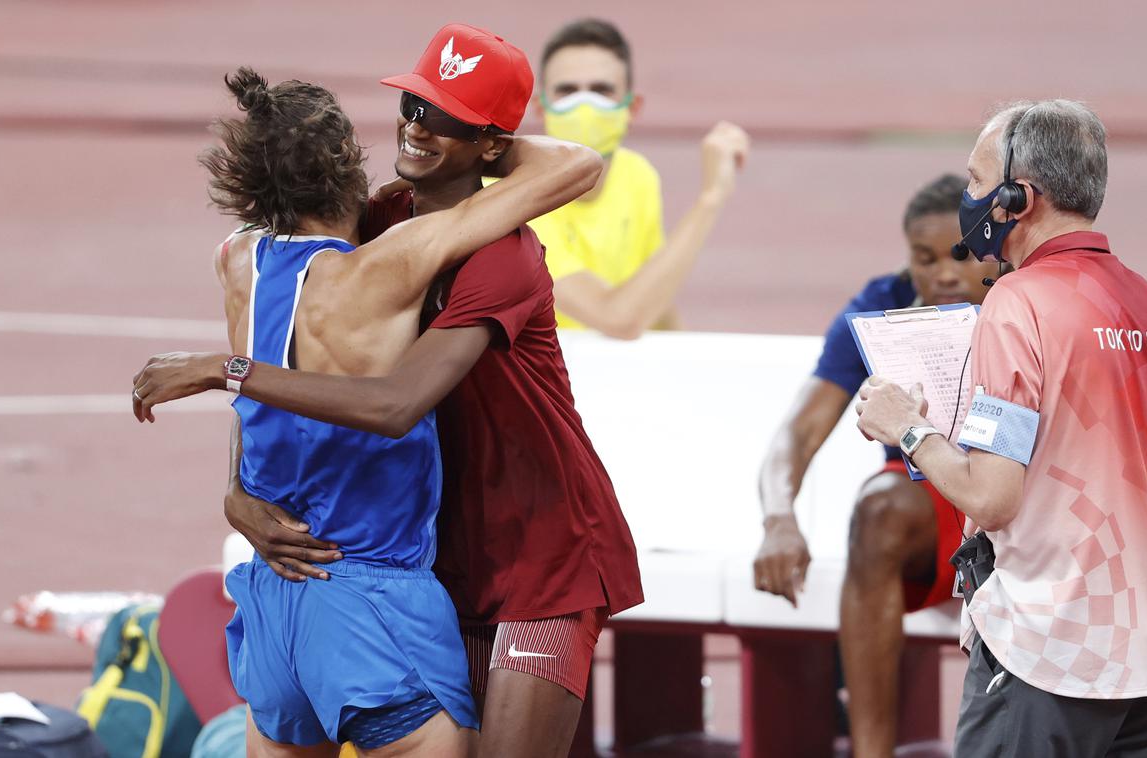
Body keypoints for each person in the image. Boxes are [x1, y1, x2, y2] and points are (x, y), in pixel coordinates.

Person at [132, 23, 723, 758]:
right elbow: (277, 344)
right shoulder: (380, 222)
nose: (417, 128)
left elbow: (395, 404)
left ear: (493, 146)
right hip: (443, 548)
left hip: (544, 550)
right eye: (413, 106)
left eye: (448, 119)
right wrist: (236, 487)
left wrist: (220, 371)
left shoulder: (502, 257)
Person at [856, 100, 1147, 756]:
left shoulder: (1019, 303)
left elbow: (992, 494)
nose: (969, 196)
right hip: (1144, 663)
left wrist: (907, 429)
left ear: (1017, 196)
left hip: (1049, 655)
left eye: (975, 179)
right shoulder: (1144, 300)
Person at [753, 174, 999, 756]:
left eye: (961, 254)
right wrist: (778, 519)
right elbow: (798, 431)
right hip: (928, 506)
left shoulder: (1026, 304)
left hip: (1016, 497)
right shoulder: (876, 308)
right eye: (925, 257)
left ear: (991, 250)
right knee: (877, 507)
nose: (944, 272)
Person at [530, 18, 749, 338]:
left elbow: (653, 298)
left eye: (601, 90)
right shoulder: (516, 200)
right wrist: (711, 198)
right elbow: (617, 318)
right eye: (567, 91)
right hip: (535, 381)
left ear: (632, 109)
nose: (585, 106)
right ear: (540, 108)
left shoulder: (638, 176)